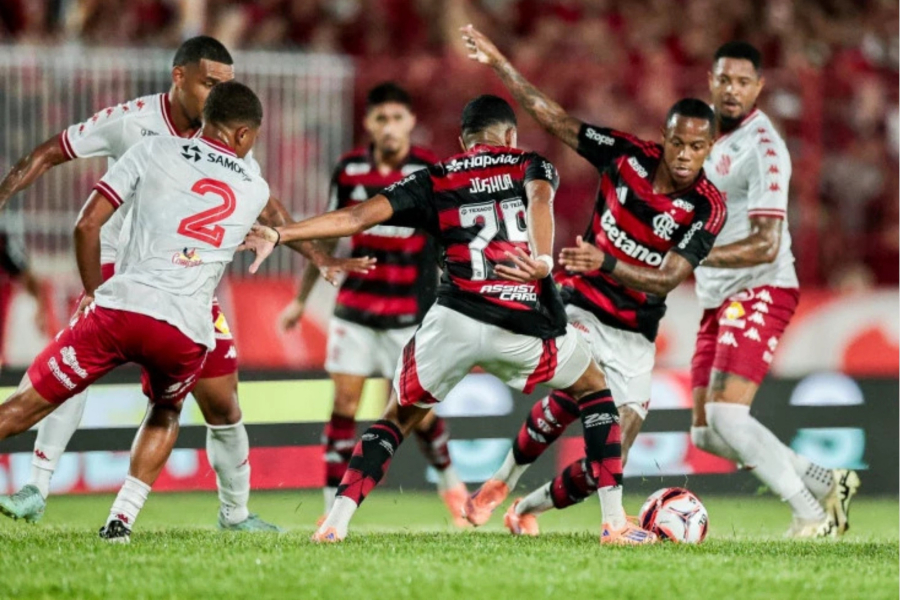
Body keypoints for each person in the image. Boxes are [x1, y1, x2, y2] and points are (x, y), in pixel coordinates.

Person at [242, 95, 657, 545]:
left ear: (463, 141)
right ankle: (614, 524)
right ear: (511, 136)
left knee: (396, 419)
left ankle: (334, 522)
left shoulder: (435, 179)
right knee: (595, 389)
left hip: (454, 321)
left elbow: (358, 216)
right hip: (520, 320)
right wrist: (540, 258)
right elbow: (540, 197)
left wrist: (282, 232)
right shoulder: (530, 163)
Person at [0, 36, 371, 531]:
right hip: (116, 267)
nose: (218, 91)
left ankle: (234, 513)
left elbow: (272, 212)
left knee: (224, 402)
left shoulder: (224, 147)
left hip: (184, 281)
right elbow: (50, 153)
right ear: (180, 78)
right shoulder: (133, 124)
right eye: (210, 82)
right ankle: (37, 488)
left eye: (226, 84)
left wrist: (319, 256)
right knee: (78, 381)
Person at [458, 25, 725, 532]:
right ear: (664, 137)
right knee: (584, 389)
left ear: (710, 147)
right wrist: (500, 64)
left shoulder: (707, 207)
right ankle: (598, 521)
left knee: (611, 454)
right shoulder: (625, 155)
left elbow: (667, 278)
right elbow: (555, 119)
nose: (685, 154)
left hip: (634, 330)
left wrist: (604, 262)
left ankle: (520, 506)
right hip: (577, 304)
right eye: (677, 142)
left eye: (697, 146)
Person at [0, 81, 272, 543]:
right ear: (244, 136)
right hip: (187, 328)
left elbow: (87, 223)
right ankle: (120, 519)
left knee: (28, 404)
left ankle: (38, 484)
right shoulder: (256, 188)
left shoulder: (152, 149)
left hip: (123, 305)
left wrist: (92, 292)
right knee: (166, 411)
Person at [689, 41, 858, 538]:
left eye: (744, 82)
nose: (733, 89)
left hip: (762, 286)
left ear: (759, 87)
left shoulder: (764, 149)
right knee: (707, 432)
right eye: (725, 80)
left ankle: (811, 515)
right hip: (717, 296)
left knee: (727, 414)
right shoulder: (703, 139)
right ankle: (829, 481)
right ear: (710, 80)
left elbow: (765, 245)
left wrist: (689, 254)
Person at [277, 82, 466, 524]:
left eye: (398, 118)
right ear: (368, 123)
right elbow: (328, 229)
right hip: (356, 311)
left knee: (416, 411)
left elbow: (448, 239)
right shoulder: (349, 170)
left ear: (411, 122)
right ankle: (330, 512)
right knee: (344, 407)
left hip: (409, 315)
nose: (390, 127)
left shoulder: (429, 171)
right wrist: (301, 301)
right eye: (381, 118)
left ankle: (449, 482)